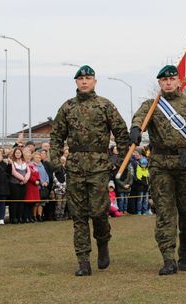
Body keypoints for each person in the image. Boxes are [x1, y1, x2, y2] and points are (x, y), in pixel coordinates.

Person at [130, 65, 186, 275]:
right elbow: (139, 118)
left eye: (172, 79)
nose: (168, 82)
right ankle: (168, 259)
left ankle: (185, 249)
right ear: (159, 83)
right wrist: (136, 129)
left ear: (178, 81)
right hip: (161, 165)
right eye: (164, 80)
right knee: (165, 213)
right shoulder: (152, 105)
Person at [50, 65, 129, 276]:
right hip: (75, 166)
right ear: (76, 82)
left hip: (99, 167)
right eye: (81, 79)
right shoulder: (67, 107)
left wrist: (118, 160)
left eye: (88, 78)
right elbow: (56, 137)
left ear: (95, 81)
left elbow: (122, 133)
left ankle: (103, 243)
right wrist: (56, 164)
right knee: (78, 216)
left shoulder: (104, 105)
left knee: (99, 213)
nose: (84, 81)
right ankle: (83, 261)